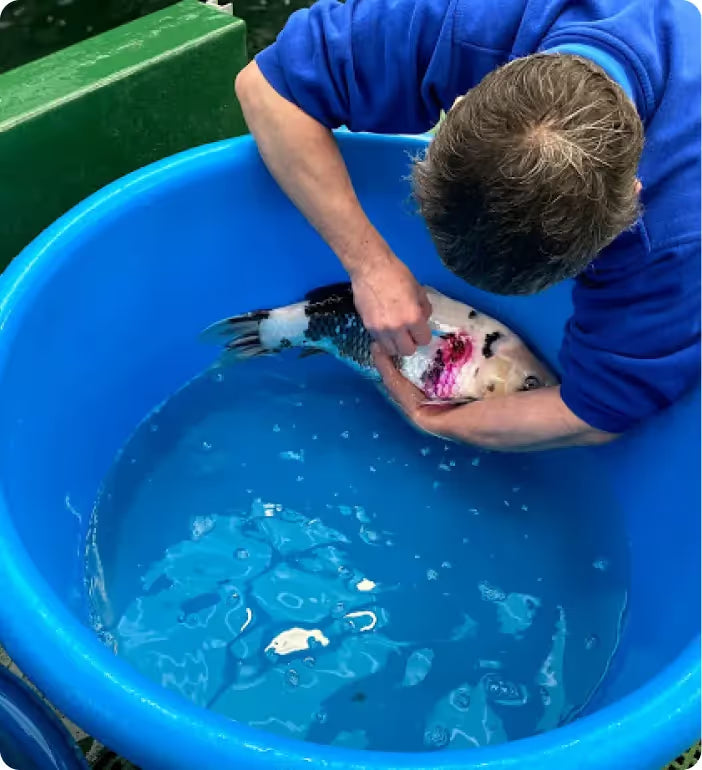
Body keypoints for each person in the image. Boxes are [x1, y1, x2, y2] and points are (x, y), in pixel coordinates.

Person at [234, 0, 701, 452]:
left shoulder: (677, 243)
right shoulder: (467, 18)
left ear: (632, 202)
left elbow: (596, 415)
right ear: (458, 105)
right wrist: (370, 265)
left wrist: (432, 418)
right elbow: (264, 88)